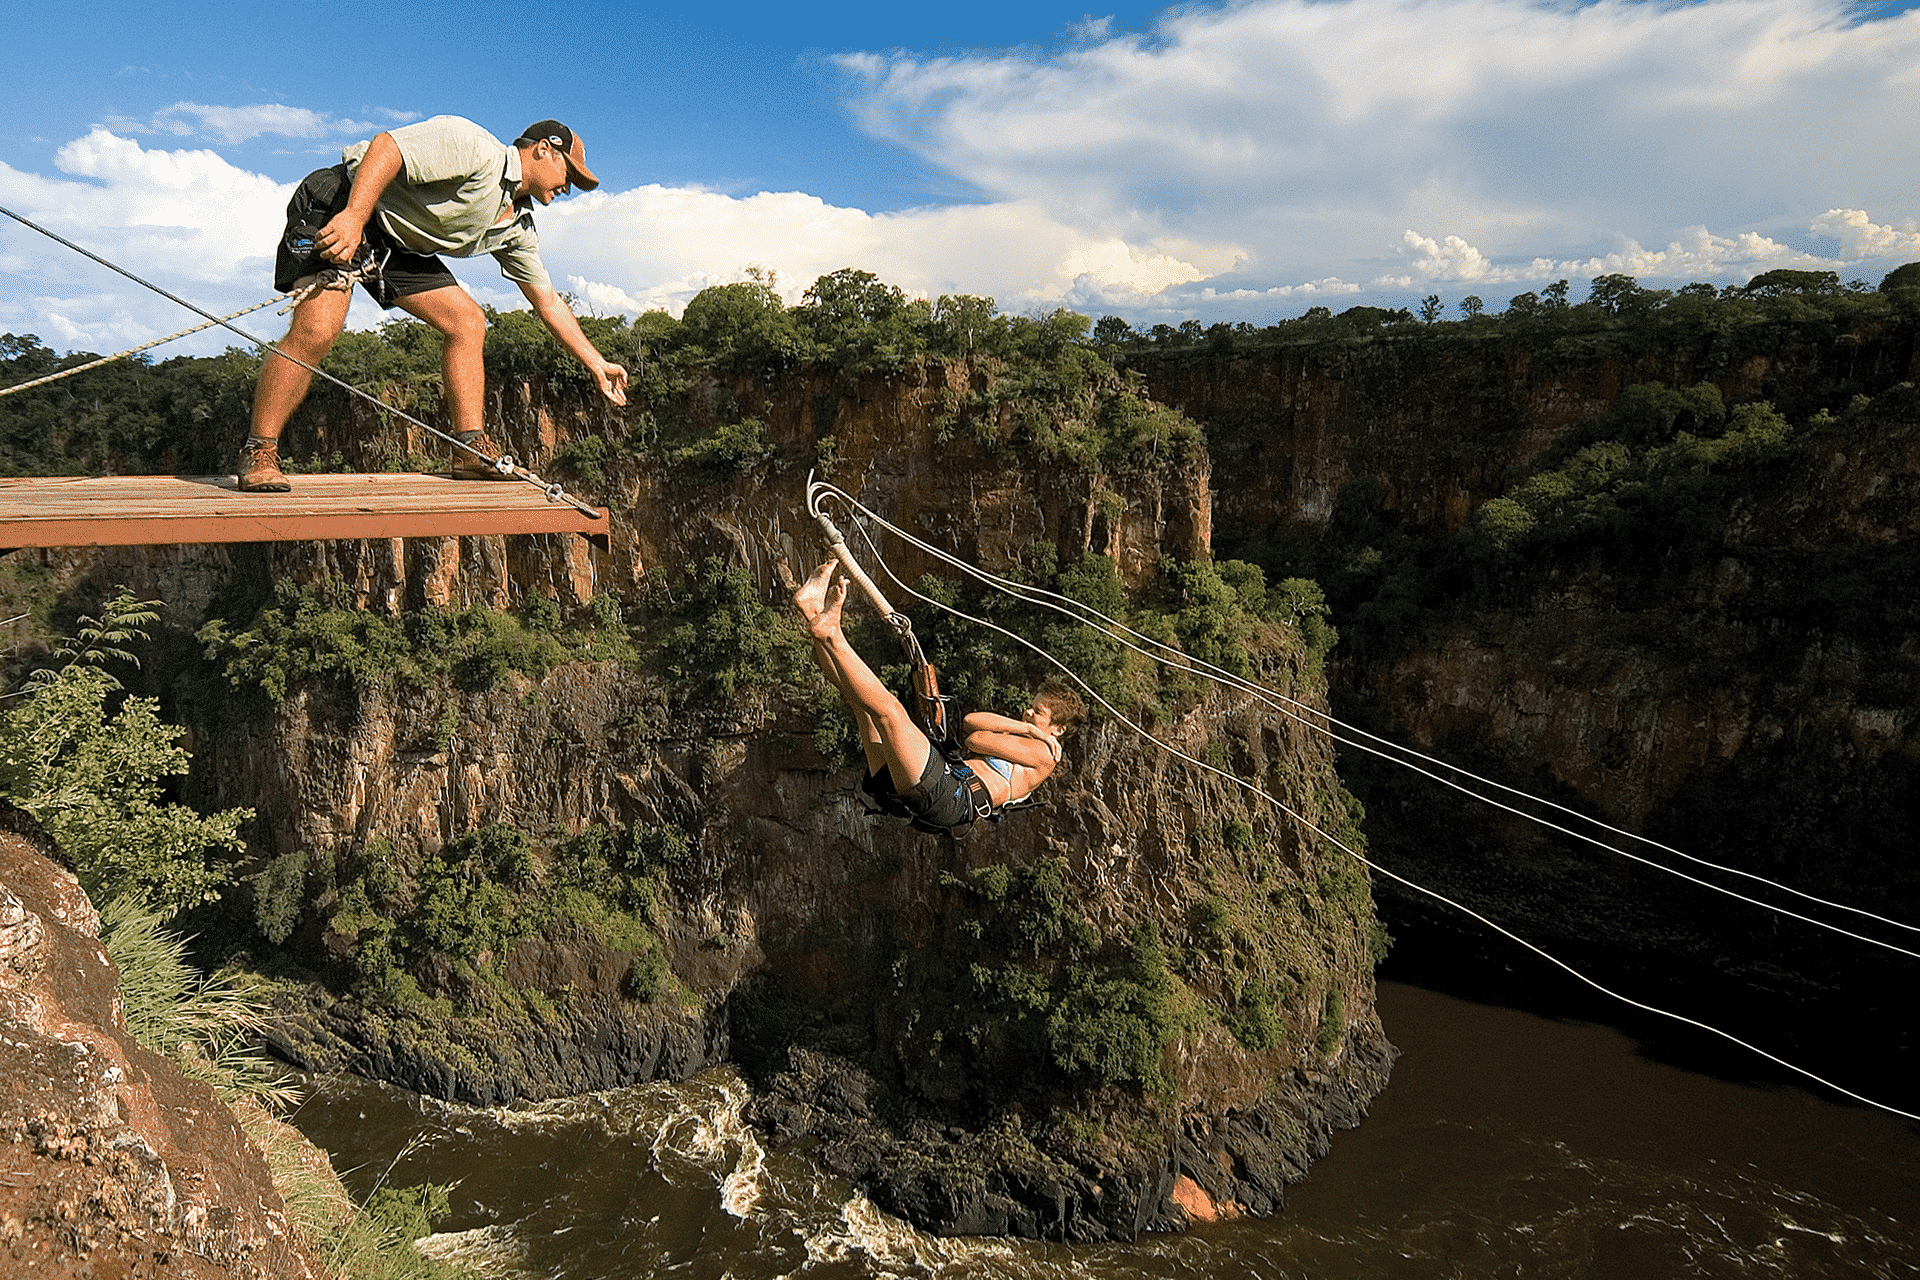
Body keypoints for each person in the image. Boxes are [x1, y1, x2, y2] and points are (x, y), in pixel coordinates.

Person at [237, 116, 630, 492]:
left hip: (397, 244)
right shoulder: (477, 148)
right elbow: (386, 148)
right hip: (343, 202)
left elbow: (546, 299)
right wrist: (354, 217)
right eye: (570, 174)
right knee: (319, 327)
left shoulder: (517, 227)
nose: (568, 187)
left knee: (468, 322)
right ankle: (260, 450)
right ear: (544, 150)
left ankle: (469, 449)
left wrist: (596, 363)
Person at [793, 560, 1085, 831]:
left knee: (891, 713)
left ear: (1058, 729)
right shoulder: (1029, 736)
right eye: (1031, 707)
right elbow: (971, 720)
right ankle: (812, 611)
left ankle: (832, 633)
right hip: (928, 786)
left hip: (951, 794)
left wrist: (1034, 734)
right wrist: (1026, 727)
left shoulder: (1045, 753)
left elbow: (975, 739)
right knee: (862, 707)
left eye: (1039, 713)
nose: (1029, 714)